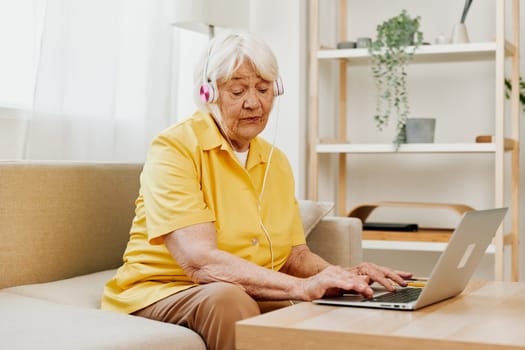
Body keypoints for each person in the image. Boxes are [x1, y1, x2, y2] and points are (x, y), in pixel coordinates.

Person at [101, 31, 412, 350]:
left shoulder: (275, 161)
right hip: (163, 290)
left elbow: (294, 256)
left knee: (341, 308)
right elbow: (200, 261)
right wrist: (303, 288)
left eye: (263, 89)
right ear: (208, 93)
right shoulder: (174, 148)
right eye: (237, 91)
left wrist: (344, 275)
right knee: (227, 298)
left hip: (243, 290)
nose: (254, 103)